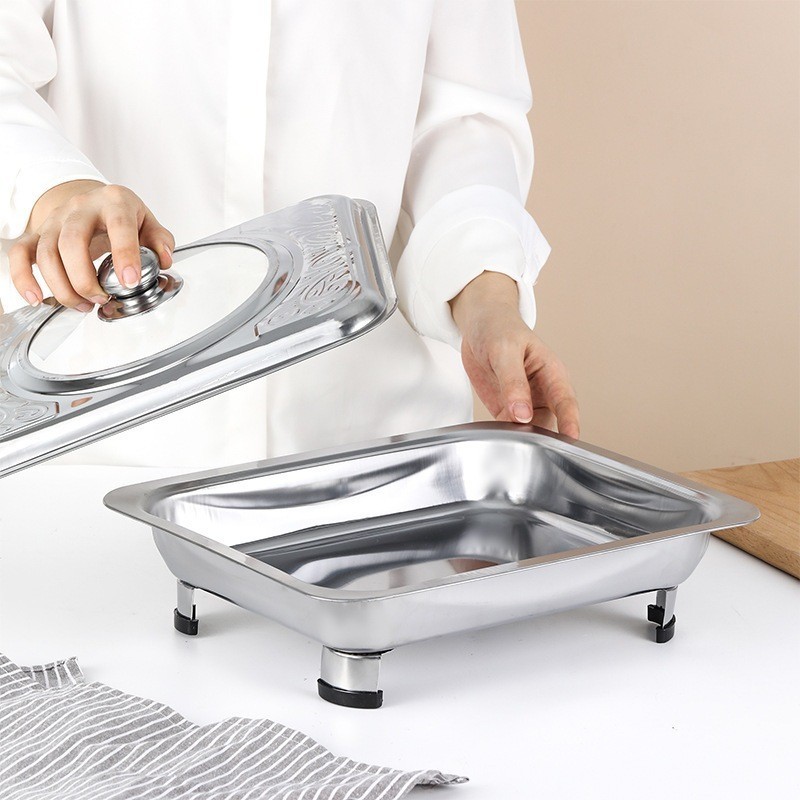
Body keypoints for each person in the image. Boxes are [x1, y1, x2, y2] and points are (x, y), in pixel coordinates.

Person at [0, 0, 579, 467]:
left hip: (372, 447)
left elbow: (463, 122)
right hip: (101, 444)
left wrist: (486, 300)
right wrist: (60, 194)